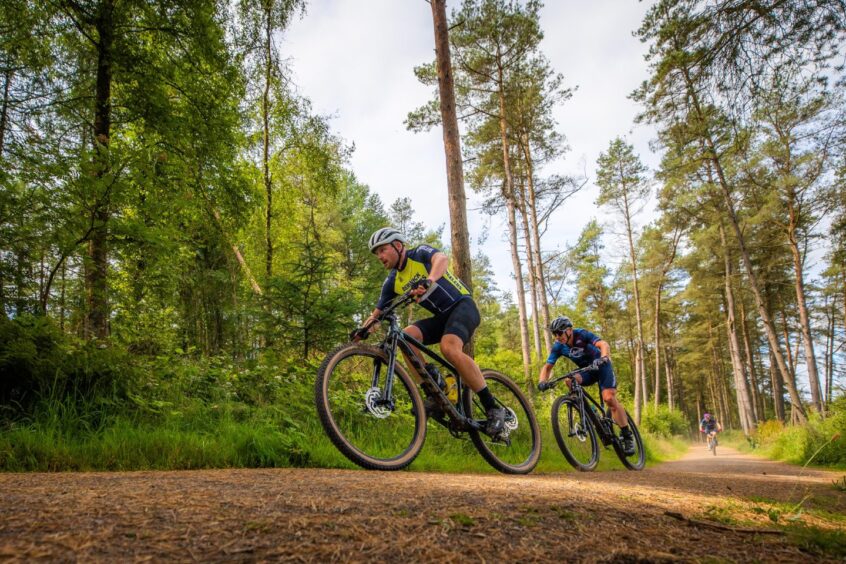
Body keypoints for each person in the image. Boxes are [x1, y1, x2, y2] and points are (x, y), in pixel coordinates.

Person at [356, 227, 505, 435]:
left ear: (398, 246)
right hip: (441, 318)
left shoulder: (418, 254)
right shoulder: (392, 281)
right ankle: (435, 389)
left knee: (449, 347)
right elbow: (377, 313)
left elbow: (441, 259)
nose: (379, 256)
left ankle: (493, 408)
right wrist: (362, 331)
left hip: (462, 306)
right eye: (376, 253)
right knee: (405, 337)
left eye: (382, 250)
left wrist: (430, 280)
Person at [537, 316, 636, 456]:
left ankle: (627, 435)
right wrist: (542, 381)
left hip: (602, 367)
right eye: (554, 334)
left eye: (559, 333)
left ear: (569, 330)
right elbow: (547, 367)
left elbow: (603, 344)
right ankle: (591, 412)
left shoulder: (581, 334)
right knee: (569, 381)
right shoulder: (559, 346)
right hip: (587, 371)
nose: (557, 337)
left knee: (608, 399)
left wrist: (604, 357)